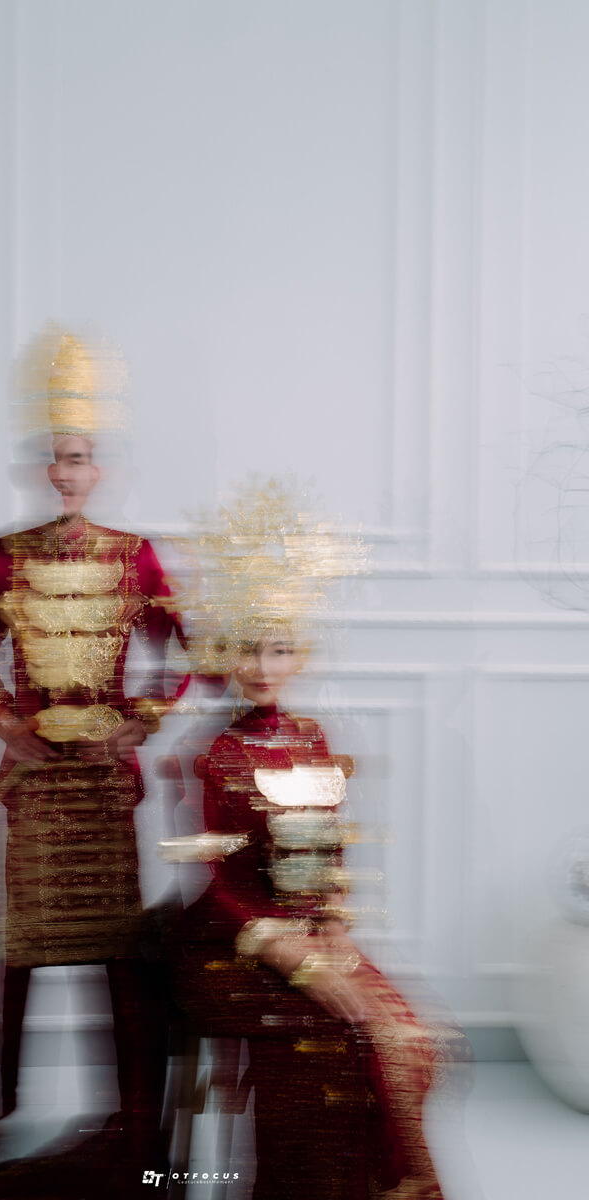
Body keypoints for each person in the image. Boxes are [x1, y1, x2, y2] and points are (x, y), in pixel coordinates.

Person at [165, 482, 460, 1200]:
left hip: (307, 932)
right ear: (226, 653)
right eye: (249, 649)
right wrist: (294, 956)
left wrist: (331, 922)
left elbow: (329, 853)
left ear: (300, 655)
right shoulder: (212, 753)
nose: (263, 667)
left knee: (406, 1037)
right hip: (228, 942)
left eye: (279, 649)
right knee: (337, 1033)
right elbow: (220, 884)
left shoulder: (312, 739)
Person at [0, 327, 186, 1176]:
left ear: (99, 467)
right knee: (16, 953)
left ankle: (132, 1110)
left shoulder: (135, 556)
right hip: (35, 783)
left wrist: (141, 720)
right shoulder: (4, 557)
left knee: (118, 952)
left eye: (78, 457)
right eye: (53, 458)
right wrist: (3, 723)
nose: (65, 471)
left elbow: (189, 652)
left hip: (105, 787)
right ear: (39, 469)